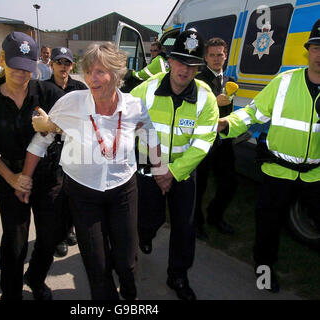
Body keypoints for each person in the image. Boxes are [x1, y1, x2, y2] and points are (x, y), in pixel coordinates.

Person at [23, 42, 160, 300]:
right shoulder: (72, 103)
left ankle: (130, 295)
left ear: (117, 75)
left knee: (127, 260)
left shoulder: (134, 106)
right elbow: (41, 139)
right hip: (83, 193)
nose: (91, 79)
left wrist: (161, 172)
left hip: (123, 191)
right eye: (88, 72)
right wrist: (24, 178)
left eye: (99, 72)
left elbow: (150, 136)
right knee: (97, 266)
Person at [218, 19, 320, 293]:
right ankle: (264, 275)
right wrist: (227, 124)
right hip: (277, 172)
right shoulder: (284, 82)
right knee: (267, 231)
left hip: (315, 176)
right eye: (317, 47)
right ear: (308, 50)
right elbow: (253, 113)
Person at [0, 31, 66, 300]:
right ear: (2, 60)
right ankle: (11, 293)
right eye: (15, 66)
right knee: (14, 244)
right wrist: (12, 179)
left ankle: (36, 278)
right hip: (9, 176)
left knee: (51, 237)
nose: (21, 74)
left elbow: (75, 123)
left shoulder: (48, 93)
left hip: (48, 176)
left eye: (27, 68)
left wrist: (54, 126)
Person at [130, 29, 219, 300]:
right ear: (169, 60)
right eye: (181, 61)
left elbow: (204, 142)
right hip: (148, 165)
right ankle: (144, 234)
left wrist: (173, 172)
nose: (185, 69)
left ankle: (178, 275)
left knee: (184, 226)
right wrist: (158, 170)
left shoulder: (205, 98)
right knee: (148, 219)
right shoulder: (146, 89)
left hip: (183, 169)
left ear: (199, 68)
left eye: (192, 65)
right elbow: (124, 122)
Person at [45, 46, 88, 258]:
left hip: (74, 148)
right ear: (51, 64)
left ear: (72, 65)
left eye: (67, 63)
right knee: (56, 196)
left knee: (73, 192)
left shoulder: (80, 88)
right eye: (59, 62)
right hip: (51, 150)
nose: (63, 66)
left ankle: (69, 230)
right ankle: (58, 236)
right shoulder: (42, 88)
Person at [194, 37, 237, 239]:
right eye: (212, 55)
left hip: (224, 141)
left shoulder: (230, 81)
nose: (217, 59)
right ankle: (196, 223)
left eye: (220, 54)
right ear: (205, 57)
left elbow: (229, 111)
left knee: (229, 183)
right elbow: (192, 110)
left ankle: (215, 216)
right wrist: (213, 100)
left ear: (225, 55)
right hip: (203, 139)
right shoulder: (198, 80)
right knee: (199, 185)